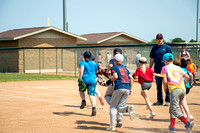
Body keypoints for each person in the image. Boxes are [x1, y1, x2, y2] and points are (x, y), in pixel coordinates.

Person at [161, 53, 194, 133]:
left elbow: (165, 81)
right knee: (172, 108)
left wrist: (165, 89)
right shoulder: (178, 67)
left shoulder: (164, 68)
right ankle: (172, 127)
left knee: (175, 110)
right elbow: (187, 76)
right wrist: (184, 84)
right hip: (182, 89)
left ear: (165, 61)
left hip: (174, 89)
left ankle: (187, 123)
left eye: (164, 61)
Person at [106, 54, 135, 131]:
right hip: (127, 89)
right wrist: (130, 89)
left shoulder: (114, 67)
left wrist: (109, 81)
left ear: (114, 61)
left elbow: (115, 77)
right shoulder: (125, 69)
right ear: (122, 61)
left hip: (119, 88)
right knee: (120, 107)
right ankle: (128, 109)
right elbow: (131, 78)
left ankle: (112, 126)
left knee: (112, 106)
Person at [149, 33, 172, 106]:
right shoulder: (154, 48)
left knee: (167, 84)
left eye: (160, 38)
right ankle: (159, 101)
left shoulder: (167, 47)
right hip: (157, 69)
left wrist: (171, 67)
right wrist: (150, 68)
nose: (159, 40)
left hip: (166, 69)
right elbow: (152, 59)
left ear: (163, 39)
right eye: (158, 38)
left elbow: (171, 58)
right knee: (158, 86)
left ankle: (168, 100)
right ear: (156, 39)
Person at [104, 48, 124, 127]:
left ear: (113, 55)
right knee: (120, 102)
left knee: (107, 96)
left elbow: (110, 67)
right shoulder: (122, 61)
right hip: (123, 82)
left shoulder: (113, 60)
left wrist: (107, 71)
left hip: (114, 82)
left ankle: (114, 105)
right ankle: (119, 118)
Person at [79, 51, 98, 116]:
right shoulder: (94, 63)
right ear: (90, 57)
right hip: (92, 80)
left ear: (84, 56)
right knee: (91, 95)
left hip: (84, 79)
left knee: (81, 90)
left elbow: (82, 70)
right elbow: (96, 71)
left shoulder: (82, 63)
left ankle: (83, 101)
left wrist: (80, 78)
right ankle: (94, 108)